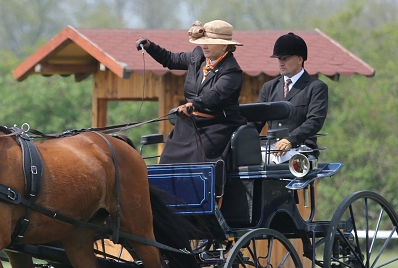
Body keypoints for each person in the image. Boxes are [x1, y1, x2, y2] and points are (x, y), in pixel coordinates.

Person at [137, 20, 246, 164]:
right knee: (167, 158)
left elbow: (214, 95)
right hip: (190, 123)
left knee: (198, 160)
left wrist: (192, 105)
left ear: (224, 45)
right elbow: (170, 59)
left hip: (218, 125)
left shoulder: (232, 71)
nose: (204, 46)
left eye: (210, 42)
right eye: (203, 42)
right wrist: (150, 47)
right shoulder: (197, 56)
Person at [253, 32, 328, 159]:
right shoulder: (269, 87)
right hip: (272, 152)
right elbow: (256, 121)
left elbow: (315, 120)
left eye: (285, 59)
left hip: (302, 151)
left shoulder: (315, 87)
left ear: (300, 59)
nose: (281, 63)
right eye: (279, 59)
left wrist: (290, 140)